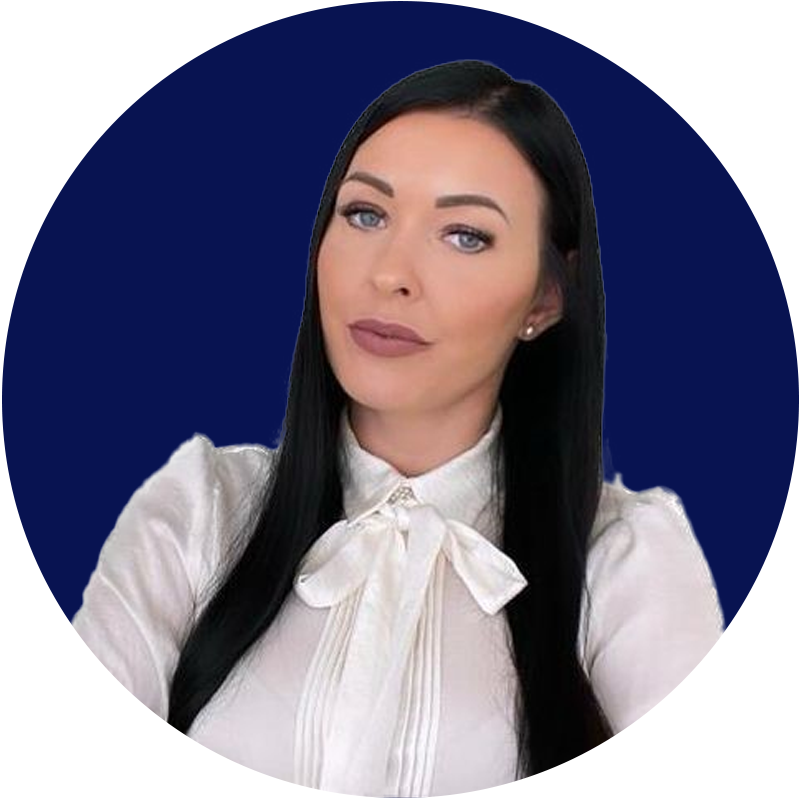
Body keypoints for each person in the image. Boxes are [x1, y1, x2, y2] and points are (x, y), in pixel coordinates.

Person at [13, 60, 744, 798]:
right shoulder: (200, 510)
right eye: (366, 214)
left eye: (465, 235)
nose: (391, 273)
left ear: (547, 297)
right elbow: (56, 779)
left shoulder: (624, 560)